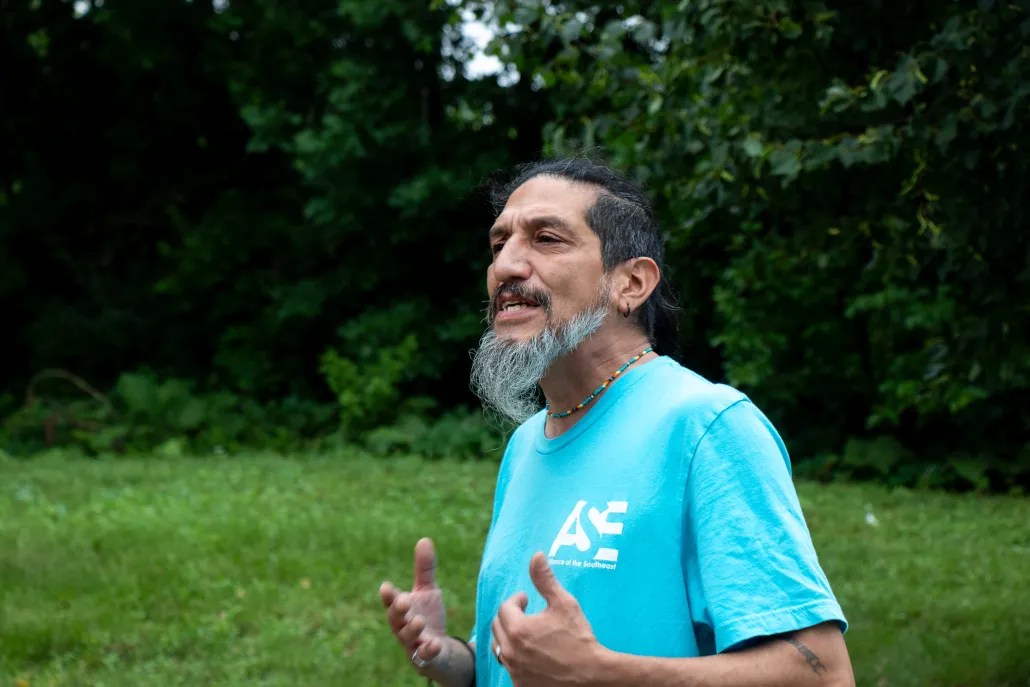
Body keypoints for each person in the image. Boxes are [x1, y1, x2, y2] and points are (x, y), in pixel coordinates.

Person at [379, 157, 855, 687]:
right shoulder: (527, 444)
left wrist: (597, 673)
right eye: (498, 245)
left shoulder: (705, 426)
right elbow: (528, 663)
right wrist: (448, 657)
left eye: (546, 239)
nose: (506, 266)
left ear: (631, 282)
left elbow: (822, 672)